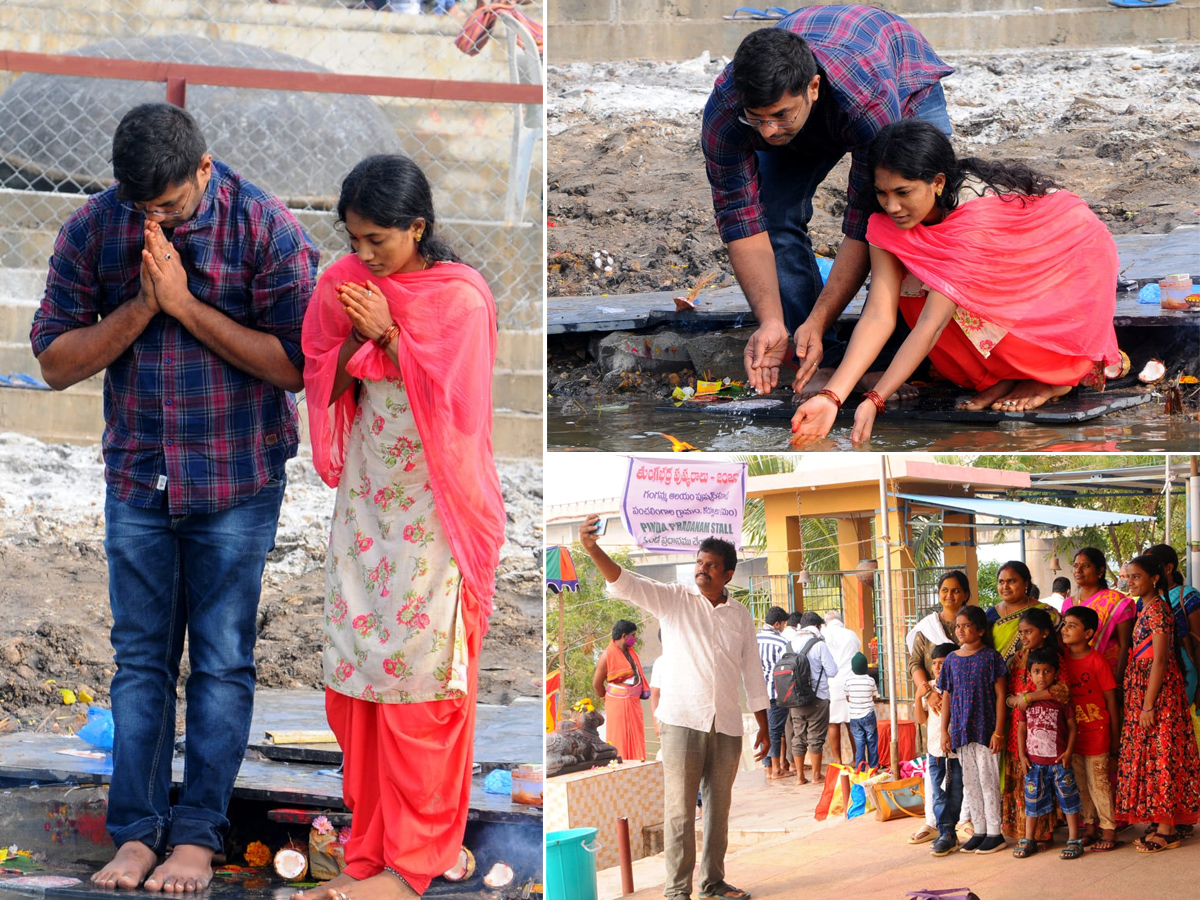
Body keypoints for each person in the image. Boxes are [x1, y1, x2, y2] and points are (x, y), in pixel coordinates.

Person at [30, 102, 318, 893]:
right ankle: (136, 835)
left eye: (169, 204)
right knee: (139, 663)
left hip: (237, 479)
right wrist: (143, 305)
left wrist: (186, 305)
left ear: (203, 168)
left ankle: (196, 837)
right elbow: (54, 361)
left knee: (223, 663)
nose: (152, 220)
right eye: (139, 206)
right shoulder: (93, 229)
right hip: (138, 477)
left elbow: (296, 365)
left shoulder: (266, 227)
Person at [300, 154, 506, 898]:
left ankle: (412, 863)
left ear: (418, 227)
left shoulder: (460, 299)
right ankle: (367, 852)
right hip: (366, 511)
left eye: (379, 240)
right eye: (354, 239)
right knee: (360, 672)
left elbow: (460, 408)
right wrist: (363, 341)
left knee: (421, 680)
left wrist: (392, 336)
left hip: (436, 512)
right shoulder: (342, 284)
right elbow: (320, 371)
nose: (363, 255)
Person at [790, 119, 1120, 442]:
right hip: (997, 288)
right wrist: (832, 397)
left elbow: (932, 325)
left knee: (939, 297)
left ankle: (1052, 379)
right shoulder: (886, 220)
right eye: (882, 193)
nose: (892, 206)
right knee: (914, 291)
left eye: (903, 192)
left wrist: (874, 400)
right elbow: (879, 315)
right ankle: (1005, 376)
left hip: (1063, 277)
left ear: (937, 182)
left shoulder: (973, 215)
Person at [701, 7, 953, 396]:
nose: (768, 132)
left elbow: (863, 219)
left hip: (895, 74)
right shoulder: (725, 113)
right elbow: (742, 219)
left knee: (911, 215)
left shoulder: (866, 100)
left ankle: (892, 362)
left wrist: (819, 318)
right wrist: (772, 321)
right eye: (758, 118)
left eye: (780, 115)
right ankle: (819, 357)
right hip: (825, 89)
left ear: (812, 88)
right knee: (773, 212)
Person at [579, 520, 768, 900]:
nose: (702, 569)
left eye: (712, 565)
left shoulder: (741, 616)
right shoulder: (675, 600)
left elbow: (752, 672)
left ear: (728, 573)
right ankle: (676, 891)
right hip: (682, 722)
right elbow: (628, 583)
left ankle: (712, 883)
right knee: (680, 813)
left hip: (728, 724)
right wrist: (593, 549)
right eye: (700, 562)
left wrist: (763, 725)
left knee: (718, 811)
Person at [1115, 555, 1200, 852]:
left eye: (1136, 577)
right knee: (1151, 755)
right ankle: (1160, 819)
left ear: (1154, 578)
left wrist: (1148, 705)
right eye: (1129, 577)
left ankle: (1168, 828)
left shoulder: (1159, 610)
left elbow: (1160, 660)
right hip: (1144, 691)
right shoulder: (1145, 608)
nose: (1131, 582)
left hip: (1159, 694)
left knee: (1164, 754)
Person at [937, 605, 1008, 854]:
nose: (960, 630)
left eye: (966, 625)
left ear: (980, 630)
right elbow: (947, 695)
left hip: (986, 731)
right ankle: (979, 830)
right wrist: (944, 731)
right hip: (961, 730)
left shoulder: (991, 657)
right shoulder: (952, 660)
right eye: (957, 626)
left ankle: (995, 832)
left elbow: (1001, 696)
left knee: (989, 782)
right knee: (970, 783)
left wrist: (998, 731)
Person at [1001, 607, 1068, 846]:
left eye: (1028, 632)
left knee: (1040, 781)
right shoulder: (1021, 657)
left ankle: (1042, 833)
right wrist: (1014, 700)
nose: (1024, 637)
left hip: (1045, 733)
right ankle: (1024, 833)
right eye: (1021, 633)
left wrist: (1027, 698)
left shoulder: (1054, 659)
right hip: (1020, 728)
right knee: (1024, 777)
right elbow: (1011, 692)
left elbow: (1061, 691)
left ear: (1046, 633)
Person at [1059, 606, 1121, 852]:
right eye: (1064, 624)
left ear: (1088, 633)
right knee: (1080, 784)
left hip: (1097, 734)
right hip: (1074, 737)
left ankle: (1109, 829)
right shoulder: (1061, 660)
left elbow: (1111, 703)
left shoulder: (1097, 661)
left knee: (1100, 784)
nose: (1065, 629)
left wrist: (1115, 741)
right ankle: (1091, 827)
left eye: (1072, 625)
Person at [1013, 647, 1084, 860]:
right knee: (1032, 801)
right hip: (1034, 763)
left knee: (1068, 798)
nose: (1041, 676)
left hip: (1059, 762)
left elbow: (1073, 727)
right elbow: (1021, 729)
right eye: (1036, 671)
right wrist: (1022, 755)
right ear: (1030, 673)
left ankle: (1074, 839)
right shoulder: (1025, 701)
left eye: (1046, 671)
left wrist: (1069, 752)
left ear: (1055, 673)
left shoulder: (1060, 699)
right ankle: (1029, 839)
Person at [1061, 547, 1135, 686]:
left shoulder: (1116, 601)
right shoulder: (1067, 604)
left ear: (1100, 571)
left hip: (1108, 676)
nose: (1078, 570)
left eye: (1086, 566)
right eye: (1076, 566)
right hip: (1074, 676)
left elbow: (1126, 645)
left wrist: (1118, 685)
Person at [918, 643, 963, 856]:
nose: (937, 667)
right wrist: (919, 697)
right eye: (934, 663)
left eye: (942, 663)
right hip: (935, 751)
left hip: (956, 750)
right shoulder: (930, 688)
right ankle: (945, 832)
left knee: (954, 793)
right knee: (938, 793)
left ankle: (949, 832)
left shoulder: (958, 685)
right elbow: (920, 718)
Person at [1145, 543, 1200, 706]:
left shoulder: (1188, 595)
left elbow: (1198, 641)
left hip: (1183, 670)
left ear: (1168, 568)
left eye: (1153, 565)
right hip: (1151, 672)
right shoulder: (1145, 600)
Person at [788, 610, 839, 785]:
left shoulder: (789, 644)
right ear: (817, 626)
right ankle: (817, 775)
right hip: (817, 697)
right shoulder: (818, 645)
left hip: (794, 699)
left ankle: (800, 777)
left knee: (798, 735)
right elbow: (832, 671)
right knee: (815, 736)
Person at [594, 620, 649, 762]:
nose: (635, 639)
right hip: (616, 703)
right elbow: (596, 684)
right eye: (633, 635)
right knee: (619, 737)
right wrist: (604, 698)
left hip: (634, 702)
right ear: (624, 636)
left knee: (637, 736)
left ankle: (638, 764)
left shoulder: (631, 653)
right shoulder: (606, 656)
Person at [987, 561, 1061, 664]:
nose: (1005, 586)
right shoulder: (991, 613)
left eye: (1011, 581)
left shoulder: (1045, 611)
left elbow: (1057, 647)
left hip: (1034, 675)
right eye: (1001, 582)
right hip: (995, 676)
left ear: (1026, 583)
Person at [822, 610, 862, 765]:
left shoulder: (824, 635)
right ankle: (856, 759)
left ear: (827, 622)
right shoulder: (851, 634)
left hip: (833, 683)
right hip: (852, 682)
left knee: (833, 722)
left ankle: (837, 760)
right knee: (853, 722)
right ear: (841, 620)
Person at [757, 606, 793, 779]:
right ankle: (776, 769)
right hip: (776, 691)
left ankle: (768, 767)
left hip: (758, 692)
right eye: (783, 624)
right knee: (775, 730)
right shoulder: (781, 643)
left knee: (764, 727)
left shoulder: (754, 639)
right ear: (777, 623)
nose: (784, 627)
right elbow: (787, 668)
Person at [843, 652, 879, 769]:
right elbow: (874, 697)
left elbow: (848, 698)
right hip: (868, 715)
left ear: (853, 668)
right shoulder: (870, 681)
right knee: (872, 742)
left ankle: (860, 770)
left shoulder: (848, 681)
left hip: (854, 717)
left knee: (859, 745)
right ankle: (874, 768)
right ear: (865, 668)